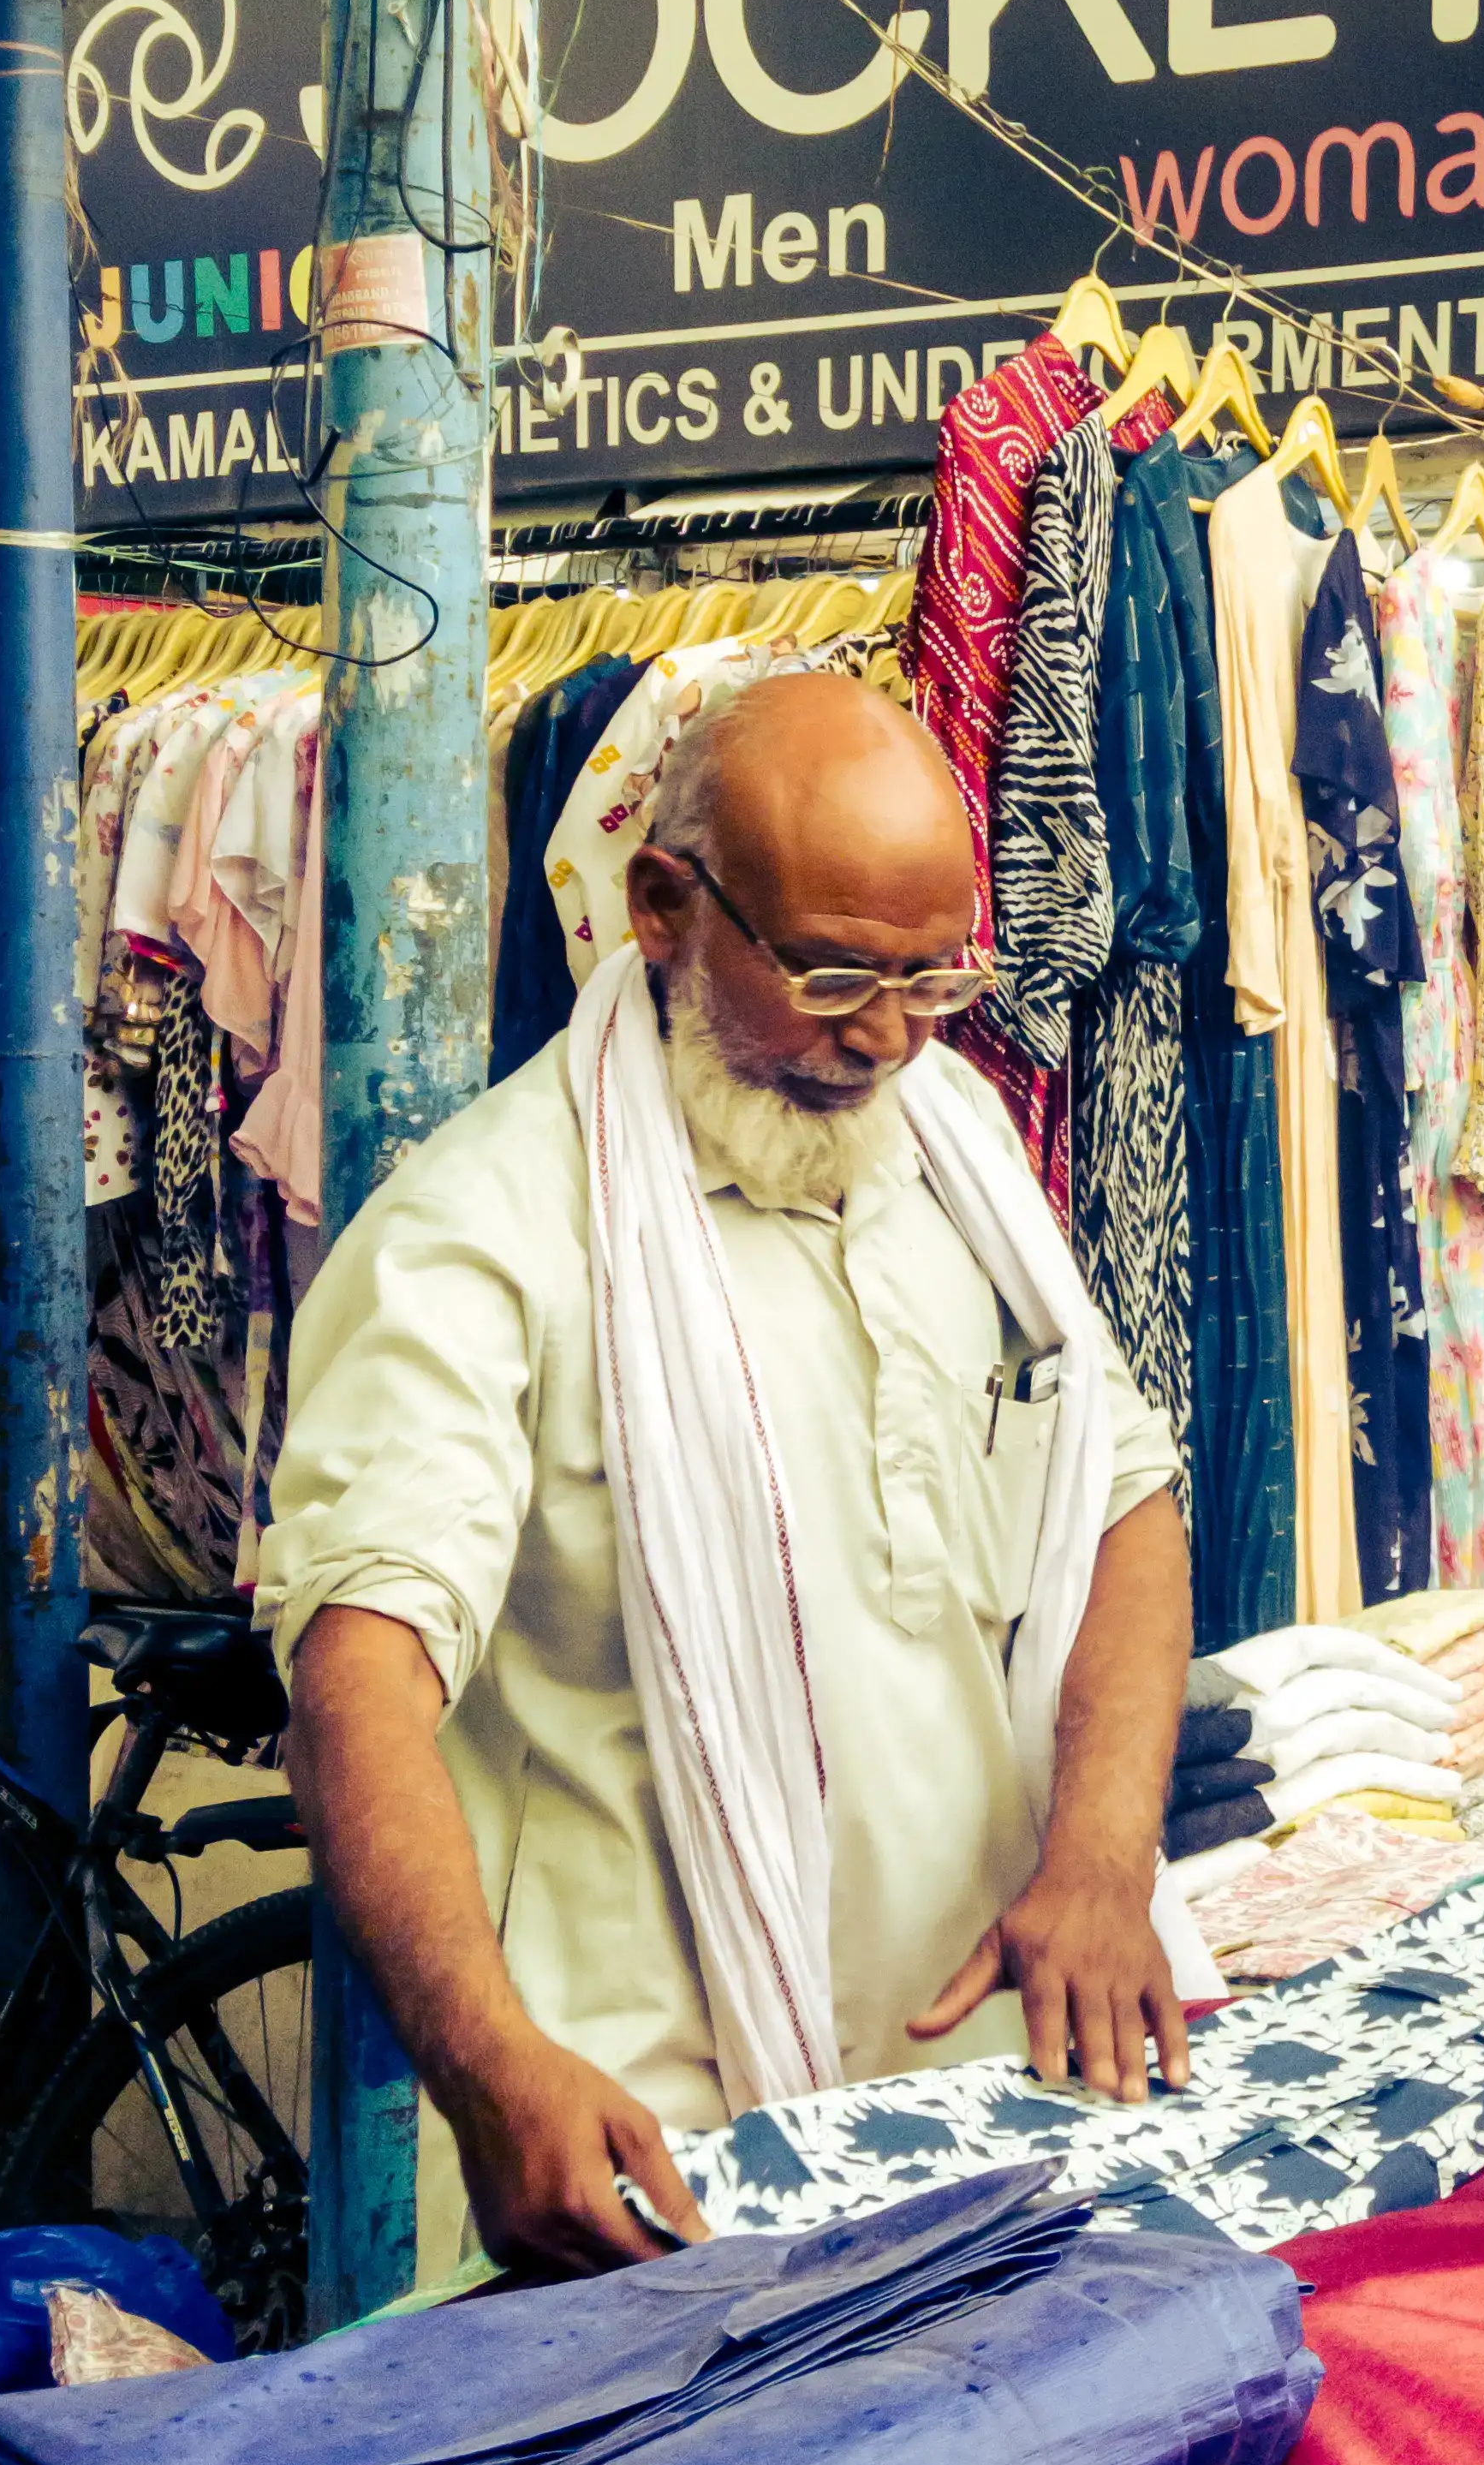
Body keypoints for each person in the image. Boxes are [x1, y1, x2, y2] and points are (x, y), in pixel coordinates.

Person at [261, 665, 1196, 2281]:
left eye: (935, 980)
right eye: (838, 976)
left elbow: (1123, 1500)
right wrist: (492, 2068)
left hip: (987, 2099)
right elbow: (358, 1678)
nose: (891, 1036)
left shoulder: (954, 1150)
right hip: (640, 2152)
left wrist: (1103, 1860)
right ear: (664, 907)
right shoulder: (483, 1235)